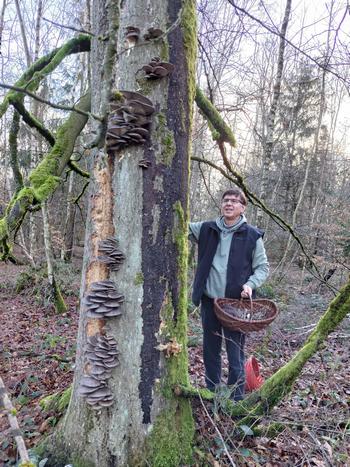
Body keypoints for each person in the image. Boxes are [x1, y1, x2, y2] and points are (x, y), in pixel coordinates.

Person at [189, 187, 269, 401]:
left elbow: (262, 267)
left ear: (243, 207)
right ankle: (212, 393)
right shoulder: (206, 228)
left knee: (235, 352)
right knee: (210, 350)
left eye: (235, 201)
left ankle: (236, 399)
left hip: (236, 306)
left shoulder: (252, 235)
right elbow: (179, 226)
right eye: (226, 200)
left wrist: (251, 284)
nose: (229, 203)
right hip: (210, 302)